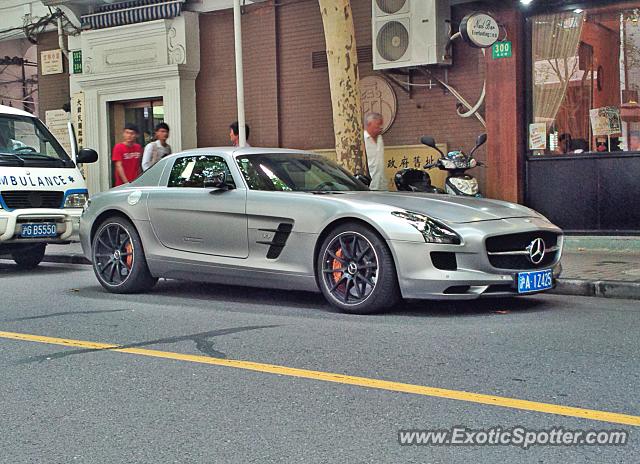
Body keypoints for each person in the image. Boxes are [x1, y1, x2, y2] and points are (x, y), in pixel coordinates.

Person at [364, 112, 385, 190]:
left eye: (381, 124)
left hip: (381, 185)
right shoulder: (363, 140)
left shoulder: (380, 139)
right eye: (378, 124)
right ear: (369, 124)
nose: (381, 127)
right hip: (369, 186)